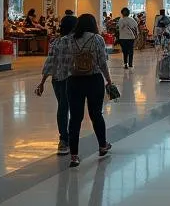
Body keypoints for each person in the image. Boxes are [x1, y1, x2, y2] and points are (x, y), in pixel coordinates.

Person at [63, 13, 113, 168]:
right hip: (94, 80)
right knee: (96, 114)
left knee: (75, 118)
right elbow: (102, 61)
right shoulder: (97, 39)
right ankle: (102, 146)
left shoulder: (68, 40)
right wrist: (108, 80)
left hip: (74, 81)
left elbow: (65, 62)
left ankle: (74, 155)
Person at [35, 12, 78, 154]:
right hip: (72, 79)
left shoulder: (56, 41)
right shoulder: (77, 41)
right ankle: (68, 139)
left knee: (62, 108)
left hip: (57, 80)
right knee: (74, 109)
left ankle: (63, 139)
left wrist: (42, 82)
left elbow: (50, 62)